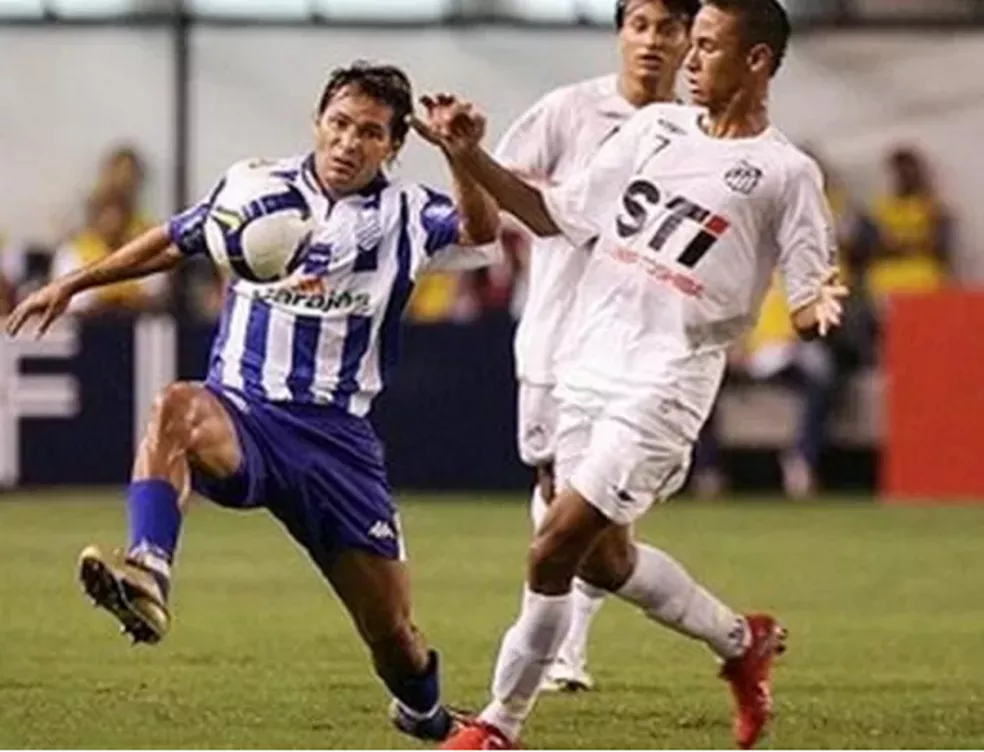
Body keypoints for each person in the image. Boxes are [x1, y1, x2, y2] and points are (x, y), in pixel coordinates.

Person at [5, 62, 500, 744]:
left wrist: (461, 156)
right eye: (339, 124)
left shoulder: (408, 214)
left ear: (392, 146)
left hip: (336, 444)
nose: (349, 142)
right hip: (243, 415)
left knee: (393, 635)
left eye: (370, 132)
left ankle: (426, 714)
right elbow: (178, 241)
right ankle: (149, 571)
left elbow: (481, 232)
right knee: (175, 406)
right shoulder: (255, 185)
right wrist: (73, 285)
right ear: (317, 121)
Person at [415, 1, 847, 748]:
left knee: (552, 546)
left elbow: (811, 295)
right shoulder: (653, 130)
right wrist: (468, 156)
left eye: (707, 46)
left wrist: (818, 309)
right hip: (587, 361)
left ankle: (496, 726)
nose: (688, 58)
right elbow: (556, 215)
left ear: (757, 62)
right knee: (605, 559)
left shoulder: (786, 173)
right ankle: (742, 642)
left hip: (664, 384)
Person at [493, 0, 698, 693]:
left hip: (638, 352)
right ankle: (728, 634)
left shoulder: (699, 137)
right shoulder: (567, 112)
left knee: (590, 507)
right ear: (621, 34)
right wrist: (562, 202)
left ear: (689, 40)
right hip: (555, 338)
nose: (652, 40)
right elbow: (492, 199)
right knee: (567, 505)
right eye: (640, 24)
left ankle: (560, 655)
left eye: (668, 27)